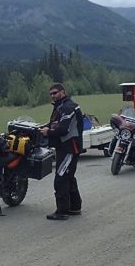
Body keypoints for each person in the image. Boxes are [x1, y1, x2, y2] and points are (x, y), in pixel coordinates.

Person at [40, 83, 84, 220]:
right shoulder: (60, 107)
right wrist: (44, 126)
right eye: (51, 94)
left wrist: (48, 131)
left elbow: (63, 129)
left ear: (63, 92)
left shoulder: (67, 107)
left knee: (61, 179)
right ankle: (75, 207)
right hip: (65, 147)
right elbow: (55, 123)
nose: (53, 95)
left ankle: (62, 212)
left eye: (55, 92)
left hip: (69, 147)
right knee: (68, 176)